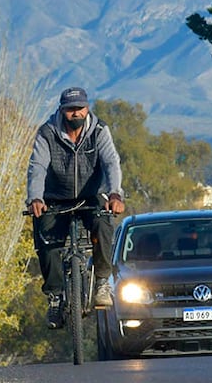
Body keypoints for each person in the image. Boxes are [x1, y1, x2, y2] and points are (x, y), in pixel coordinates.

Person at [26, 86, 125, 329]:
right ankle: (55, 298)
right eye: (70, 110)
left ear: (87, 108)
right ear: (61, 110)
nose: (75, 114)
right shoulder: (47, 132)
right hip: (54, 198)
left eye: (79, 108)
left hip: (90, 196)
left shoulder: (99, 130)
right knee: (46, 242)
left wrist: (115, 193)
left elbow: (111, 163)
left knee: (103, 224)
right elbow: (37, 167)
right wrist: (35, 198)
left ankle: (102, 282)